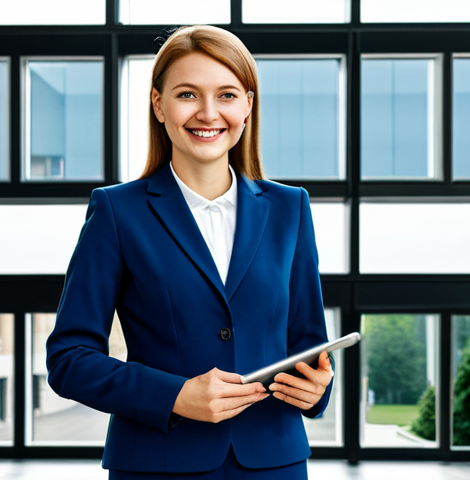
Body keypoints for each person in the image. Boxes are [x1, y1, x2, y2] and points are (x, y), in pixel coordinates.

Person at [46, 25, 334, 479]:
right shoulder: (117, 211)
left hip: (273, 462)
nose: (207, 113)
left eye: (226, 95)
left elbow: (308, 345)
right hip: (158, 463)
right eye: (186, 95)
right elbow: (69, 359)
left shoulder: (289, 208)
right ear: (158, 105)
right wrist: (175, 396)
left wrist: (318, 388)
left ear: (247, 107)